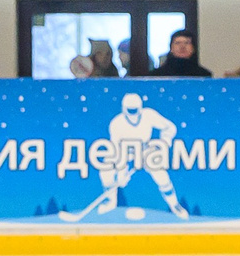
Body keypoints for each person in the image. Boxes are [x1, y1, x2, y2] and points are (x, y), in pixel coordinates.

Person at [60, 90, 189, 222]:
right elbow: (116, 151)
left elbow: (170, 128)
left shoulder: (149, 115)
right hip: (124, 152)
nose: (133, 115)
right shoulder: (116, 124)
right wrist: (121, 174)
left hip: (145, 151)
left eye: (135, 110)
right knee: (106, 171)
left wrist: (162, 144)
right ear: (123, 109)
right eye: (130, 110)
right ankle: (110, 201)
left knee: (161, 175)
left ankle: (174, 205)